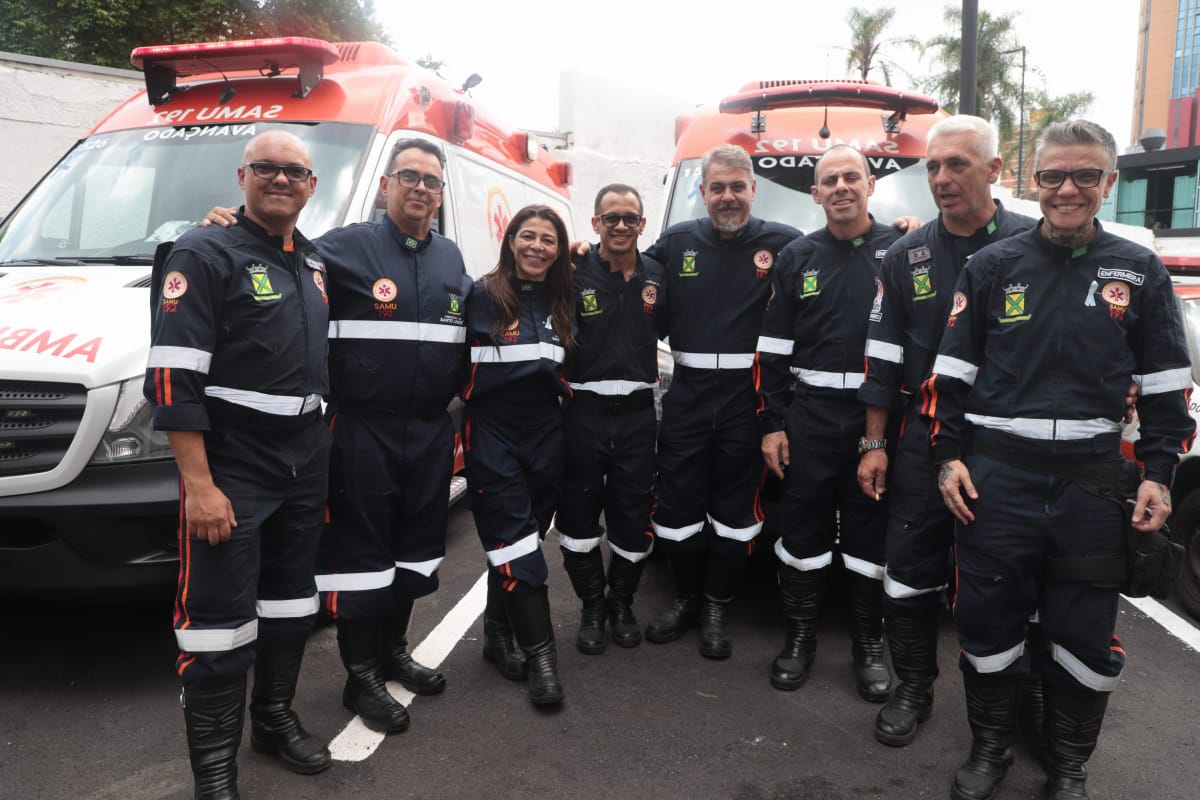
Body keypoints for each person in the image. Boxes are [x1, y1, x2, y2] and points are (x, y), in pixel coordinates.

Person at [924, 119, 1195, 800]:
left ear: (1109, 182)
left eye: (1084, 176)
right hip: (996, 484)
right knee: (987, 622)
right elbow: (949, 378)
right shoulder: (990, 267)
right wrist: (947, 458)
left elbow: (1167, 391)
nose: (1067, 189)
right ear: (1033, 180)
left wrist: (1159, 472)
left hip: (1093, 490)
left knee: (1083, 634)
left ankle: (1069, 766)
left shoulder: (1140, 271)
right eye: (1053, 176)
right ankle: (990, 751)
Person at [204, 139, 471, 736]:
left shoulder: (453, 258)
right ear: (386, 185)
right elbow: (270, 252)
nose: (421, 188)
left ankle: (394, 650)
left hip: (429, 431)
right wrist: (226, 225)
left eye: (431, 180)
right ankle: (362, 677)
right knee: (362, 559)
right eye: (409, 176)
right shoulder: (341, 249)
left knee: (414, 552)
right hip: (362, 431)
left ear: (441, 193)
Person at [145, 130, 331, 799]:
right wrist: (199, 486)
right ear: (241, 176)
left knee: (289, 607)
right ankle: (215, 774)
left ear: (312, 185)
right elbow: (172, 380)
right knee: (218, 626)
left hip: (303, 465)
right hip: (233, 467)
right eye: (266, 169)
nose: (280, 179)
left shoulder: (312, 261)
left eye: (293, 171)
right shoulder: (203, 251)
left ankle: (275, 721)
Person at [856, 115, 1037, 748]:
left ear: (993, 170)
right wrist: (875, 442)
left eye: (957, 164)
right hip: (920, 438)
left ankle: (1017, 706)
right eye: (932, 166)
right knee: (907, 570)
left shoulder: (1031, 243)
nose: (941, 178)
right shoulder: (907, 254)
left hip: (1007, 449)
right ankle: (913, 687)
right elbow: (881, 358)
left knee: (1010, 579)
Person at [642, 144, 802, 659]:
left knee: (736, 508)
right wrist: (583, 251)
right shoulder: (676, 241)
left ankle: (715, 604)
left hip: (746, 397)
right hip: (686, 392)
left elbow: (844, 256)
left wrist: (896, 234)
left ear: (753, 189)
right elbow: (629, 274)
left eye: (737, 187)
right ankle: (686, 597)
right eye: (717, 188)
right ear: (703, 192)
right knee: (677, 503)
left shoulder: (786, 244)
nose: (728, 197)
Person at [756, 144, 900, 700]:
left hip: (875, 420)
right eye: (829, 180)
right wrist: (772, 422)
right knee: (803, 530)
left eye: (850, 177)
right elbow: (772, 349)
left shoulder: (903, 249)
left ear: (870, 186)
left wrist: (879, 435)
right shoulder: (797, 256)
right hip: (810, 418)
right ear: (814, 194)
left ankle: (868, 647)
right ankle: (799, 641)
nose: (840, 186)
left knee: (868, 535)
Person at [464, 205, 576, 705]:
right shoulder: (481, 295)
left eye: (548, 239)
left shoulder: (562, 299)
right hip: (494, 433)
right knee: (514, 541)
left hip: (546, 436)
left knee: (522, 540)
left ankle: (495, 634)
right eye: (527, 236)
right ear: (510, 241)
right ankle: (543, 660)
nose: (537, 246)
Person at [556, 184, 668, 653]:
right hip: (584, 414)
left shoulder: (659, 276)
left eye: (629, 217)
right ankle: (592, 607)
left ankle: (621, 602)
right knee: (579, 515)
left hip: (639, 417)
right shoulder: (570, 271)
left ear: (643, 224)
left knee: (633, 515)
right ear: (595, 223)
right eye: (610, 217)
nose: (620, 225)